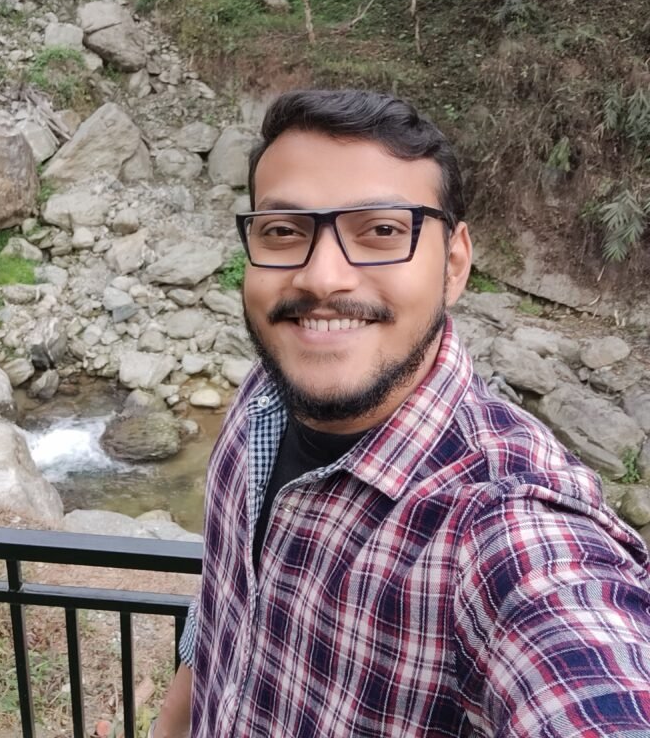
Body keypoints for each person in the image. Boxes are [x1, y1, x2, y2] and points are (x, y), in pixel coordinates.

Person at [151, 89, 650, 738]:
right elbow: (224, 608)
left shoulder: (505, 533)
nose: (322, 277)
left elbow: (587, 676)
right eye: (283, 231)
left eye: (383, 230)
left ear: (454, 264)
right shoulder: (262, 395)